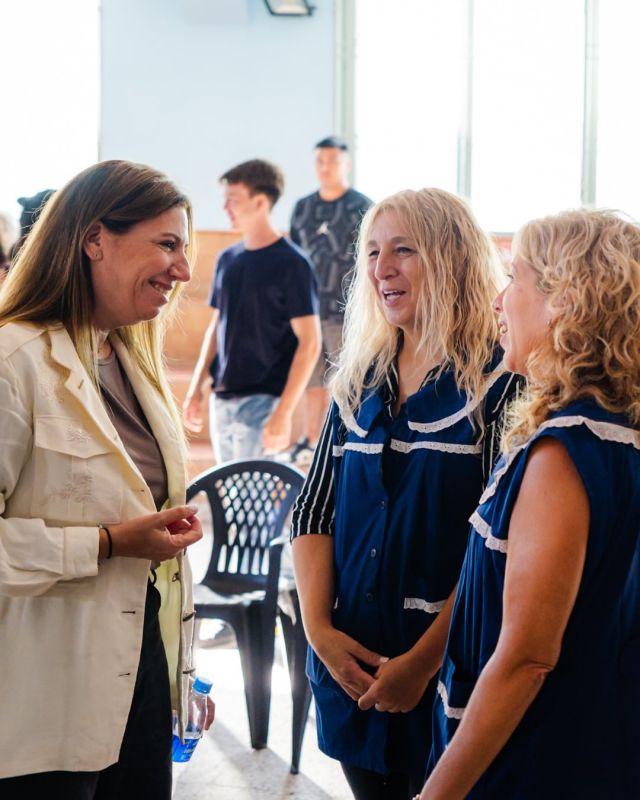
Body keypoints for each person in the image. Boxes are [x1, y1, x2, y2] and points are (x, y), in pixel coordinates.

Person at [291, 188, 521, 800]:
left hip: (448, 676)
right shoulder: (360, 378)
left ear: (452, 259)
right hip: (349, 671)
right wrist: (319, 632)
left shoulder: (501, 385)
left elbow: (498, 552)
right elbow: (313, 511)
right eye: (371, 252)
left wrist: (420, 663)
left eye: (403, 251)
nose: (381, 269)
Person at [0, 160, 212, 799]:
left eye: (185, 248)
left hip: (138, 668)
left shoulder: (130, 359)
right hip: (42, 692)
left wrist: (180, 676)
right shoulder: (15, 361)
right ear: (95, 240)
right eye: (167, 244)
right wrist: (108, 542)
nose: (183, 269)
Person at [420, 209, 640, 799]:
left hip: (538, 760)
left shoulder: (566, 453)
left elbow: (526, 658)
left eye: (514, 277)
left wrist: (436, 794)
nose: (499, 300)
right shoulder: (619, 429)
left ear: (564, 300)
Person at [183, 158, 321, 462]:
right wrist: (196, 387)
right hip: (222, 397)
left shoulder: (293, 264)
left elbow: (310, 343)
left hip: (264, 398)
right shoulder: (227, 259)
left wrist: (284, 412)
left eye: (233, 199)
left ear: (260, 201)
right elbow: (216, 326)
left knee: (252, 500)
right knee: (231, 500)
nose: (225, 208)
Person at [288, 136, 372, 464]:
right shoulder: (303, 207)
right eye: (320, 161)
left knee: (343, 378)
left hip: (346, 308)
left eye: (333, 161)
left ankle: (339, 441)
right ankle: (311, 440)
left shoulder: (362, 205)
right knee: (310, 377)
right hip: (307, 308)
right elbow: (293, 257)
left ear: (346, 164)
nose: (326, 168)